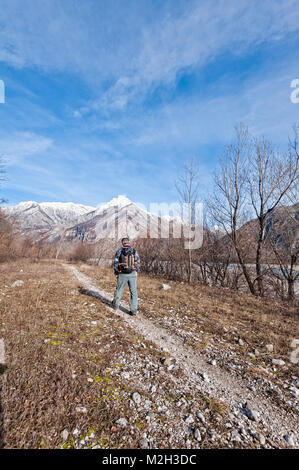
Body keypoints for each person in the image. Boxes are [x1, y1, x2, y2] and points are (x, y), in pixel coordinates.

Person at [112, 237, 140, 315]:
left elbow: (116, 262)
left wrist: (116, 271)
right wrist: (135, 270)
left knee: (119, 289)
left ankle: (115, 305)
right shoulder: (134, 251)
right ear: (128, 243)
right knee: (133, 292)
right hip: (132, 273)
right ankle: (133, 310)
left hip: (122, 273)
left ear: (122, 243)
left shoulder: (119, 251)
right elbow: (138, 261)